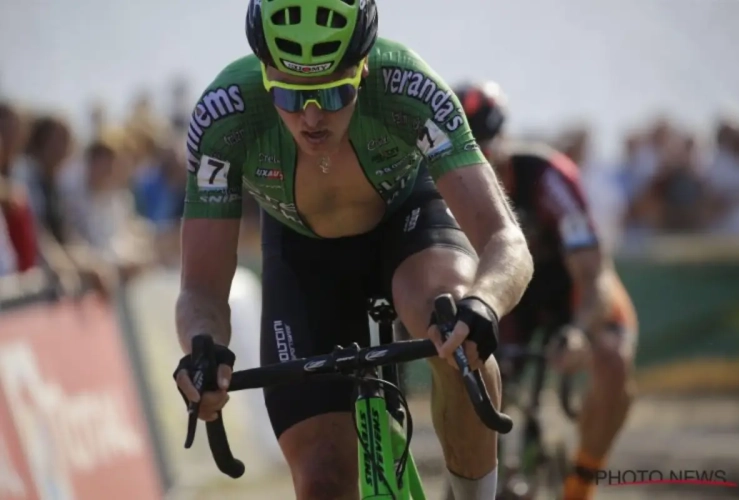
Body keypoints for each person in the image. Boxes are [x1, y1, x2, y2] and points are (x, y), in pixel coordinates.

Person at [172, 1, 534, 499]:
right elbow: (201, 289)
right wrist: (202, 348)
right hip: (301, 254)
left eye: (333, 93)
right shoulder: (225, 114)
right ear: (264, 73)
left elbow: (504, 239)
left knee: (452, 326)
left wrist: (484, 303)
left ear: (363, 69)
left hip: (407, 225)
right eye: (290, 95)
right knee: (322, 480)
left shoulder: (408, 86)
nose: (311, 117)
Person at [454, 81, 638, 500]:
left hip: (570, 290)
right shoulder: (443, 185)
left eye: (484, 153)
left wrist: (578, 331)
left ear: (503, 142)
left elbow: (593, 274)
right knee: (472, 371)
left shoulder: (548, 176)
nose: (476, 170)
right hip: (507, 294)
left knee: (612, 359)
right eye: (464, 158)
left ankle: (580, 485)